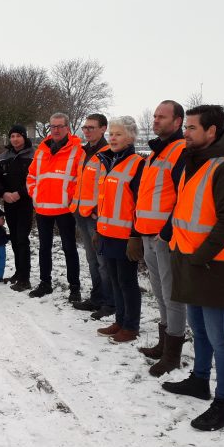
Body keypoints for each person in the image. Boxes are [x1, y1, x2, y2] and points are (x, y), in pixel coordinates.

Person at [162, 105, 224, 431]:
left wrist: (200, 255)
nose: (186, 132)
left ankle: (223, 403)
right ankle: (199, 380)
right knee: (198, 328)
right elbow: (188, 207)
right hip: (188, 257)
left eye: (192, 128)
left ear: (212, 132)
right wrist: (173, 236)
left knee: (219, 336)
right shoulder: (195, 161)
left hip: (213, 264)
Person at [133, 100, 188, 376]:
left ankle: (172, 355)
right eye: (154, 116)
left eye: (162, 117)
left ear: (177, 122)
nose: (156, 120)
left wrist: (167, 230)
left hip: (165, 237)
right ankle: (163, 343)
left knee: (172, 294)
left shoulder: (180, 151)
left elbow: (184, 196)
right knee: (159, 292)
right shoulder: (156, 153)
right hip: (148, 233)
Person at [95, 116, 145, 343]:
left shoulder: (137, 163)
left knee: (127, 282)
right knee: (114, 280)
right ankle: (120, 319)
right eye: (111, 134)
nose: (112, 138)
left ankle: (131, 326)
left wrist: (135, 235)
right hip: (107, 232)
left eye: (118, 134)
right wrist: (99, 229)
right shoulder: (109, 160)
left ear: (131, 137)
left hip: (125, 236)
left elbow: (139, 203)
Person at [26, 113, 82, 302]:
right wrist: (35, 194)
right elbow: (31, 176)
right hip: (43, 208)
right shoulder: (41, 150)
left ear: (68, 127)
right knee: (44, 248)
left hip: (65, 209)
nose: (56, 130)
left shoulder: (77, 150)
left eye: (60, 126)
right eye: (53, 126)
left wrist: (70, 198)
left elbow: (79, 180)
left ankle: (75, 288)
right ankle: (45, 283)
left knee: (69, 248)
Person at [70, 114, 115, 318]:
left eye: (91, 127)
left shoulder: (109, 153)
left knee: (103, 261)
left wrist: (99, 210)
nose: (86, 131)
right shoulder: (84, 151)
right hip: (81, 212)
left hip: (97, 216)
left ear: (103, 128)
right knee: (91, 259)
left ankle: (109, 302)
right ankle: (96, 298)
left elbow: (107, 185)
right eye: (85, 127)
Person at [0, 124, 35, 292]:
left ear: (24, 137)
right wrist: (3, 194)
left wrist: (20, 193)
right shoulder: (3, 156)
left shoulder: (35, 155)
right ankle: (18, 273)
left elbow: (36, 179)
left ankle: (25, 278)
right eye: (12, 136)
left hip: (25, 202)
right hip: (9, 202)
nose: (15, 139)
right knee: (14, 238)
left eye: (18, 136)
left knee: (22, 239)